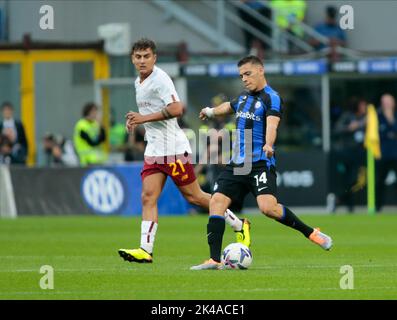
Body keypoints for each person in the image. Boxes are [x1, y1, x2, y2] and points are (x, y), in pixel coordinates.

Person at [191, 55, 332, 270]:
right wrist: (210, 111)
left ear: (261, 71)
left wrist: (268, 144)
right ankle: (214, 259)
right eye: (241, 76)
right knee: (216, 202)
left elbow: (272, 125)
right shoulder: (243, 98)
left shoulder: (271, 98)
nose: (244, 79)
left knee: (268, 208)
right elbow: (229, 106)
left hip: (259, 163)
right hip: (237, 164)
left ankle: (311, 233)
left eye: (248, 74)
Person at [118, 38, 250, 264]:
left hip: (173, 151)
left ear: (154, 58)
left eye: (146, 56)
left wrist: (143, 118)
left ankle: (239, 224)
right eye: (138, 57)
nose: (142, 61)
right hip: (154, 150)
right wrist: (136, 121)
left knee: (195, 197)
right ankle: (145, 250)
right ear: (132, 59)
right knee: (148, 197)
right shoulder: (138, 82)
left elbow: (177, 109)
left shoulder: (160, 79)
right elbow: (150, 114)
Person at [328, 97, 367, 213]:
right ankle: (345, 204)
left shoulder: (368, 119)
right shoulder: (348, 116)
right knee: (346, 180)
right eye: (363, 105)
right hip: (346, 153)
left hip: (360, 154)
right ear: (357, 106)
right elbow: (337, 129)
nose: (365, 108)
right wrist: (349, 128)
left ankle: (339, 199)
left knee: (355, 180)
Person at [376, 94, 397, 212]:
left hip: (396, 155)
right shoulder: (377, 117)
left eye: (389, 102)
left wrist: (391, 120)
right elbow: (379, 135)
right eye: (385, 102)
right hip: (383, 155)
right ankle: (378, 207)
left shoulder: (395, 116)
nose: (387, 104)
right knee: (380, 182)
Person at [73, 102, 107, 166]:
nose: (96, 114)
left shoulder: (95, 124)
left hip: (98, 160)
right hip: (86, 161)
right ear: (88, 112)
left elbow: (103, 139)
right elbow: (92, 142)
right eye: (94, 112)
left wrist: (101, 127)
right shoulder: (81, 125)